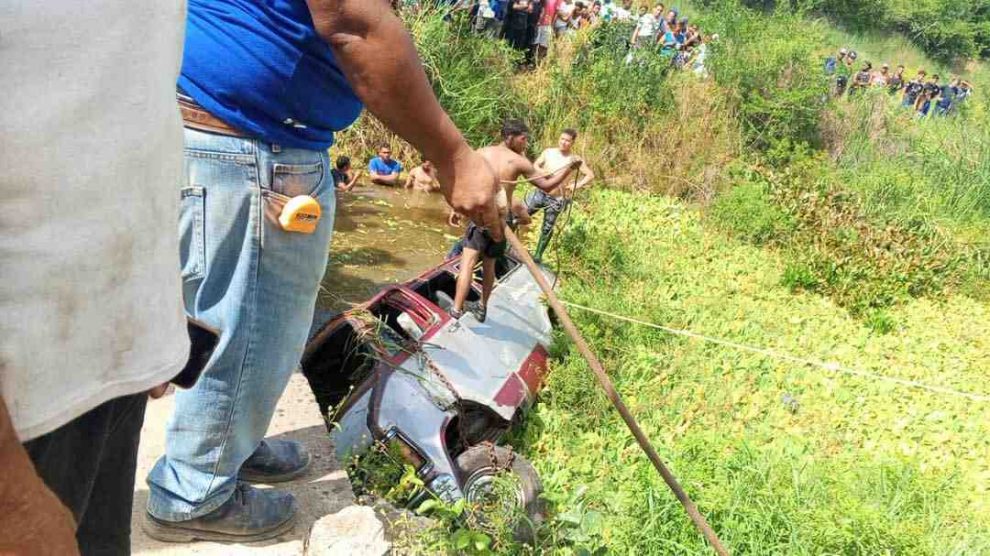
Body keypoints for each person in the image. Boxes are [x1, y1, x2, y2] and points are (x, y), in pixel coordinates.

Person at [145, 0, 501, 543]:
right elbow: (355, 24)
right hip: (247, 141)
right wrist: (452, 156)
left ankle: (227, 445)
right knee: (245, 323)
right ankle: (195, 490)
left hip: (256, 139)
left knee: (267, 328)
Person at [0, 2, 193, 554]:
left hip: (105, 370)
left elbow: (117, 91)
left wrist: (148, 306)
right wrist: (9, 494)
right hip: (21, 408)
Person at [451, 119, 580, 323]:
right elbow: (547, 186)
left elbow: (464, 182)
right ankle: (482, 307)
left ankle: (456, 310)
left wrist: (457, 208)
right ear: (510, 137)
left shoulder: (481, 153)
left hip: (482, 217)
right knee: (489, 265)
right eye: (523, 139)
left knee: (467, 263)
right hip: (503, 221)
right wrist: (569, 169)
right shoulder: (519, 162)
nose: (525, 143)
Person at [526, 128, 595, 261]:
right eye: (562, 139)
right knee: (520, 214)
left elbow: (590, 175)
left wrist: (576, 186)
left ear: (572, 143)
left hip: (556, 199)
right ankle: (506, 242)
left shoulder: (575, 159)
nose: (563, 142)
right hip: (540, 193)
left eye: (567, 141)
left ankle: (538, 255)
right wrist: (543, 171)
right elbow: (535, 165)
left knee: (547, 227)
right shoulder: (548, 152)